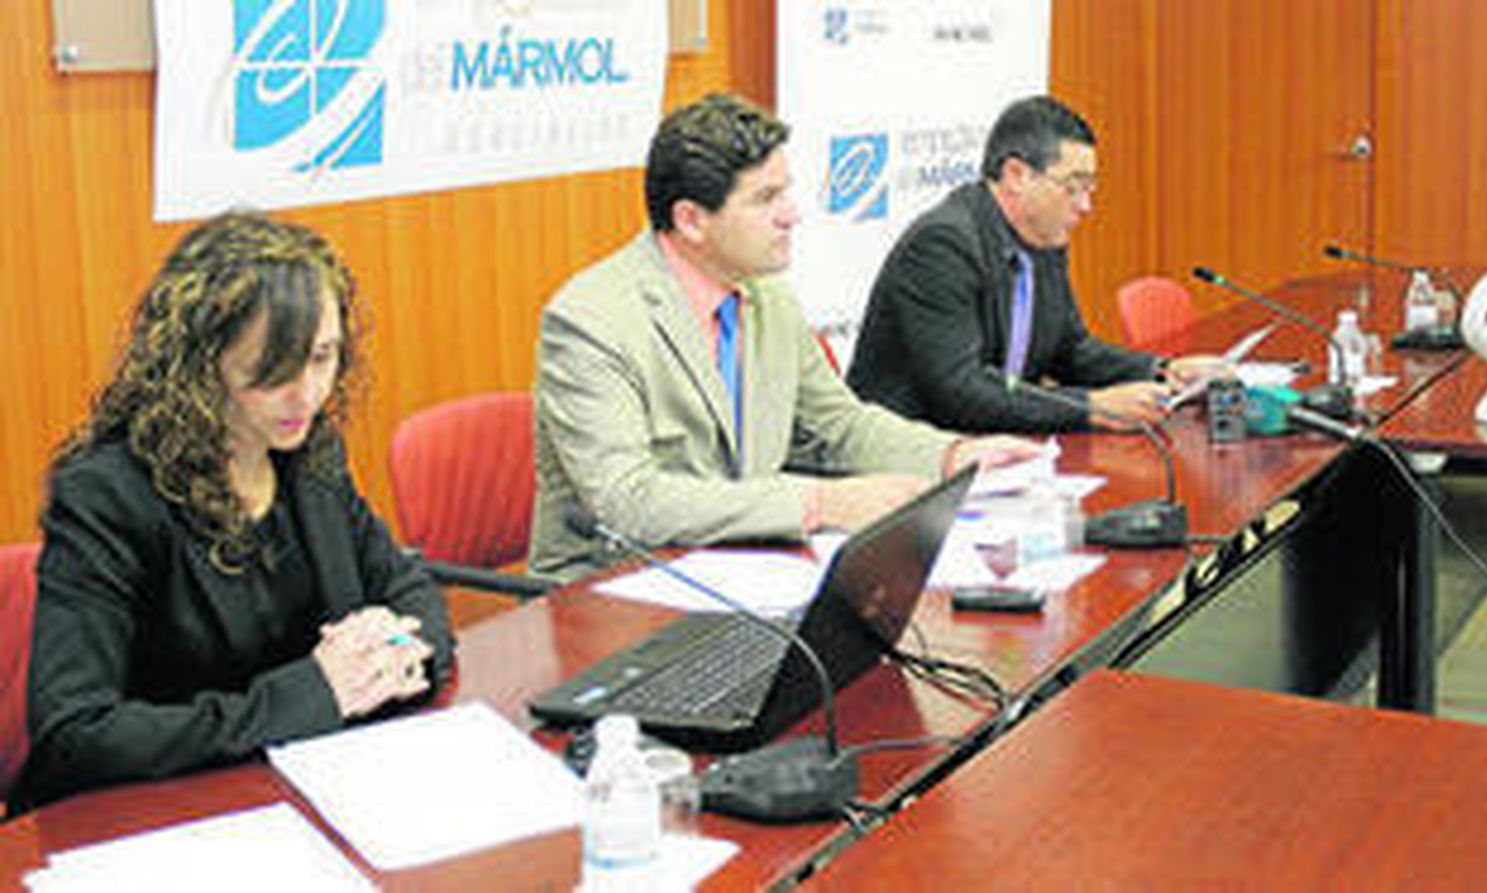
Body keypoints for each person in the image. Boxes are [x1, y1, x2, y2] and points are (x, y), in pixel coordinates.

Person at [11, 212, 453, 812]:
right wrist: (312, 693)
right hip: (157, 820)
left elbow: (409, 592)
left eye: (323, 357)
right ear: (199, 368)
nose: (307, 394)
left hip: (307, 790)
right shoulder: (106, 497)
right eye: (272, 374)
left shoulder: (310, 452)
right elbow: (76, 733)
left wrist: (389, 651)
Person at [532, 93, 1035, 580]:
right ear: (691, 220)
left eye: (785, 191)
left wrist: (952, 455)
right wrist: (820, 503)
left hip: (740, 570)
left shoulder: (767, 295)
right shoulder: (590, 322)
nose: (791, 214)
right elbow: (628, 502)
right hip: (609, 597)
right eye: (765, 198)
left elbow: (839, 426)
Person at [847, 95, 1222, 433]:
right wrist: (1091, 408)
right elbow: (960, 388)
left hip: (993, 443)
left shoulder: (1043, 237)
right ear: (1016, 176)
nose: (1085, 206)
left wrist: (1161, 371)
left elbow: (1070, 350)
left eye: (1090, 188)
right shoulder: (943, 245)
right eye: (1072, 187)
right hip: (915, 459)